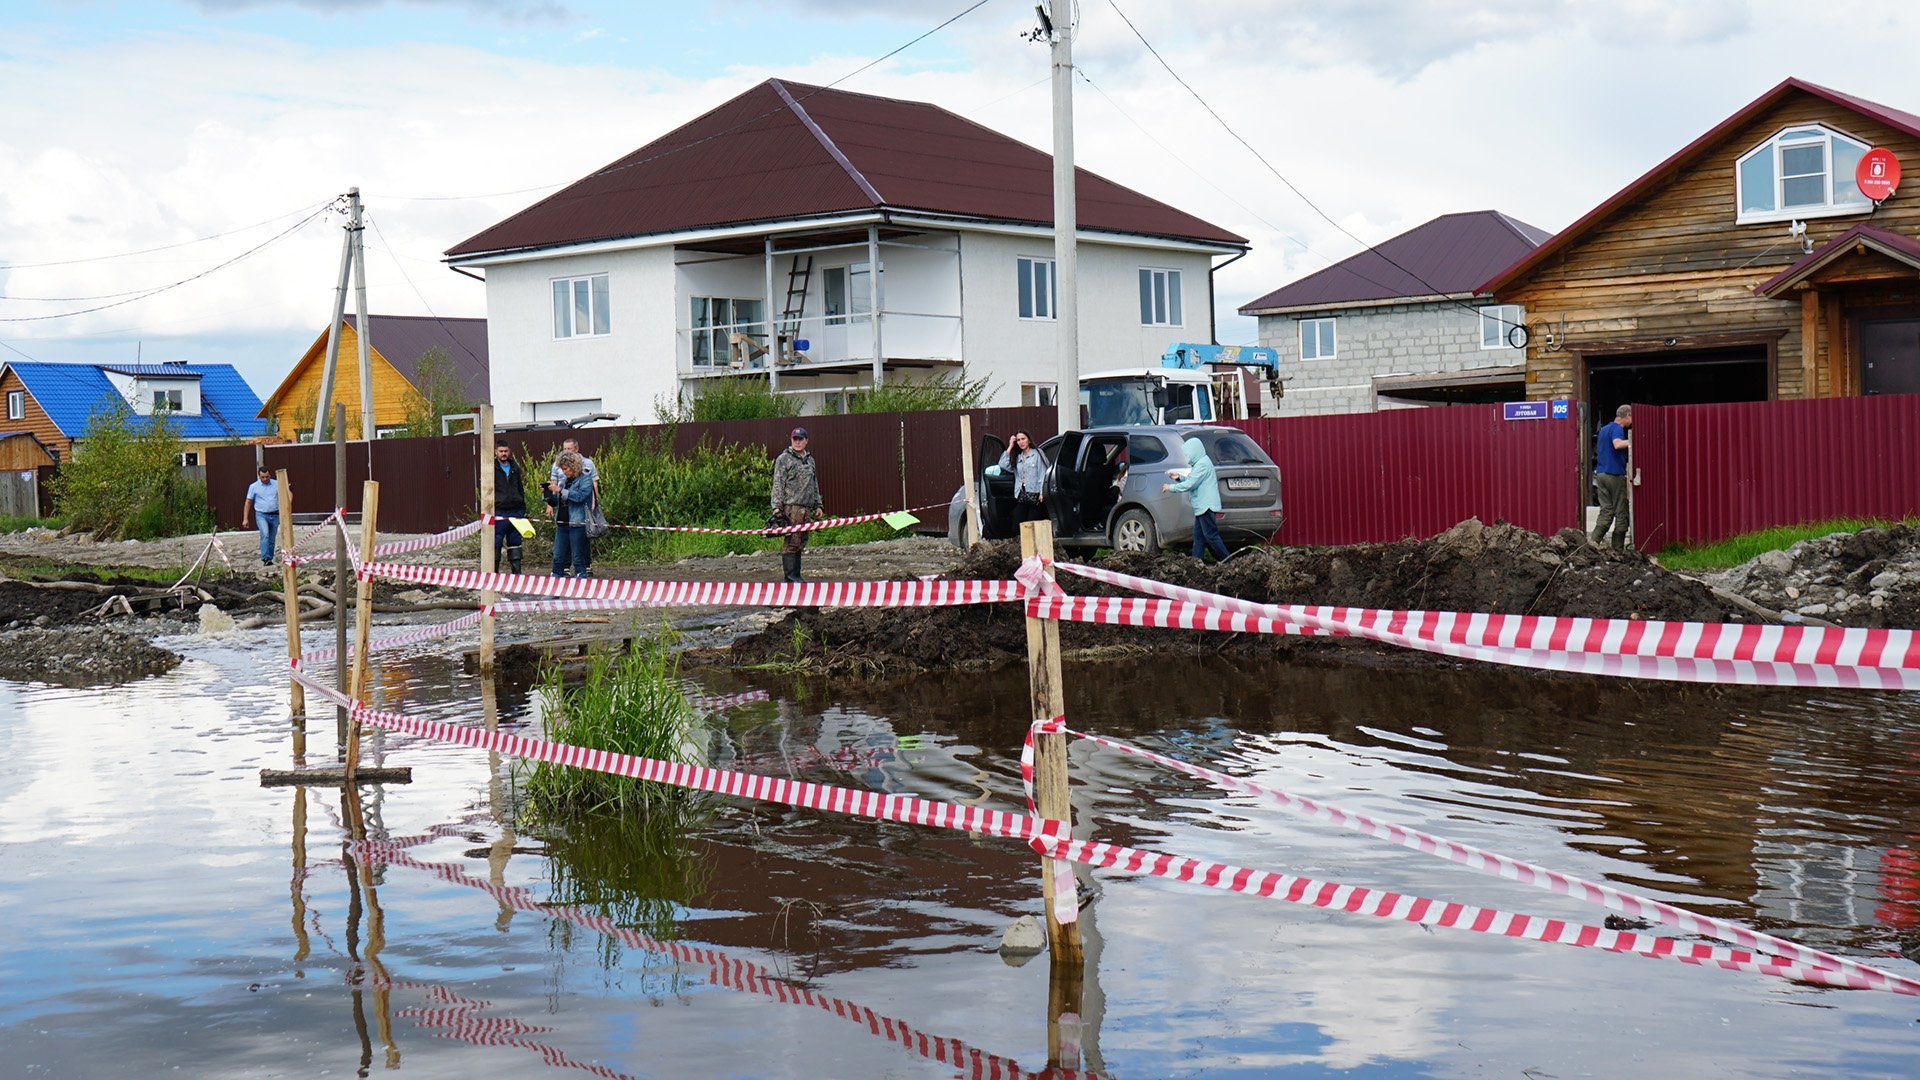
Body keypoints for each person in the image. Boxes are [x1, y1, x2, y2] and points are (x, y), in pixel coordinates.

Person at [1163, 436, 1229, 562]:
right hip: (1202, 506)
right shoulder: (1200, 463)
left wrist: (1171, 487)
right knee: (1199, 537)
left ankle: (1227, 560)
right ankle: (1196, 562)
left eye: (1188, 453)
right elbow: (1192, 479)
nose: (1187, 457)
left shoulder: (1202, 464)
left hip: (1206, 506)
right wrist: (1179, 477)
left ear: (1194, 451)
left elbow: (1191, 484)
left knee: (1211, 536)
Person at [770, 426, 822, 583]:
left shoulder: (810, 460)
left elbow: (814, 483)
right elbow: (778, 483)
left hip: (806, 508)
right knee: (792, 542)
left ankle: (797, 576)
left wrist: (818, 504)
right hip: (791, 507)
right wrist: (777, 507)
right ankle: (790, 579)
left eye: (801, 439)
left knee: (801, 542)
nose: (797, 442)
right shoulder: (784, 459)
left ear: (806, 441)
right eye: (795, 439)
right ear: (791, 440)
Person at [544, 450, 595, 579]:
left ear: (573, 467)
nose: (564, 472)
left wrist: (561, 490)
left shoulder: (586, 479)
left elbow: (580, 497)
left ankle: (580, 579)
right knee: (558, 555)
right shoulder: (563, 481)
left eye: (566, 469)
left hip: (577, 523)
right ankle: (555, 579)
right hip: (562, 522)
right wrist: (547, 493)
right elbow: (555, 501)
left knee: (578, 555)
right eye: (562, 469)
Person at [1592, 404, 1633, 551]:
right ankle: (1617, 551)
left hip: (1601, 475)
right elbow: (1617, 444)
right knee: (1621, 512)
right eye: (1631, 417)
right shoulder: (1617, 428)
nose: (1631, 421)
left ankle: (1590, 547)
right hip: (1614, 476)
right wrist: (1633, 442)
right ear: (1627, 415)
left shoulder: (1603, 430)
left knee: (1606, 511)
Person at [490, 444, 528, 575]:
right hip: (499, 510)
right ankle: (493, 573)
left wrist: (522, 508)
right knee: (496, 542)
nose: (503, 453)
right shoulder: (491, 468)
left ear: (509, 451)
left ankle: (516, 574)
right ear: (496, 452)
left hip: (515, 510)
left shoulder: (515, 467)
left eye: (506, 451)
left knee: (515, 542)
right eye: (501, 451)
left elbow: (520, 488)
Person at [998, 429, 1046, 524]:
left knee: (1031, 523)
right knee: (1017, 523)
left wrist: (1042, 492)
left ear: (1029, 440)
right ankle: (1020, 539)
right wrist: (1010, 446)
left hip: (1035, 496)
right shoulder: (1017, 457)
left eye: (1023, 439)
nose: (1021, 442)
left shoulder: (1037, 454)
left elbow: (1042, 473)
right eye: (1018, 440)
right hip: (1022, 496)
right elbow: (1002, 464)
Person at [545, 437, 596, 518]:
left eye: (569, 449)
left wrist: (594, 502)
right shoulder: (560, 474)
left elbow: (582, 495)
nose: (566, 451)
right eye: (564, 449)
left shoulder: (587, 469)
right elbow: (554, 489)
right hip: (562, 514)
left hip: (577, 516)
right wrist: (547, 493)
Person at [242, 466, 279, 566]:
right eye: (262, 477)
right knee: (265, 534)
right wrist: (245, 518)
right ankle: (265, 557)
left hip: (275, 514)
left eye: (267, 477)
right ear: (259, 476)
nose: (265, 479)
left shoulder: (276, 484)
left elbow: (286, 496)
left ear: (270, 475)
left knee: (272, 538)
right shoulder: (254, 487)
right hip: (261, 514)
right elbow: (248, 502)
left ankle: (269, 558)